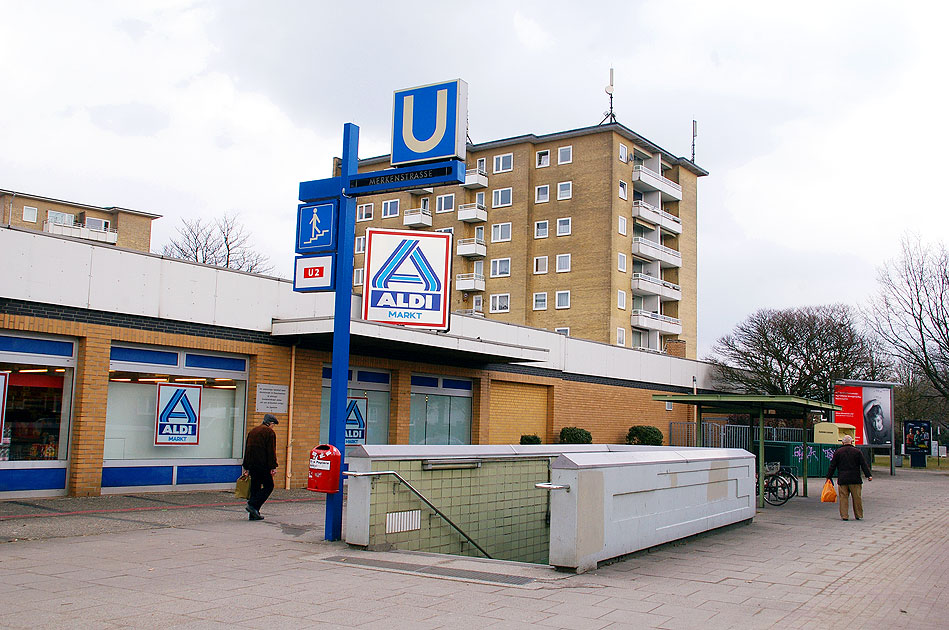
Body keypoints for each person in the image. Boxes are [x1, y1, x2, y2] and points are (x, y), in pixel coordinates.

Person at [826, 435, 872, 521]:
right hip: (855, 479)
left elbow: (832, 466)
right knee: (857, 498)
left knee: (843, 498)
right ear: (851, 442)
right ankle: (858, 515)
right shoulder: (857, 452)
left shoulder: (838, 452)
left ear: (843, 443)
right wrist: (868, 475)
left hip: (843, 479)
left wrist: (829, 476)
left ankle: (844, 515)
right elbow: (863, 464)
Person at [242, 414, 278, 521]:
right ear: (270, 423)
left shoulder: (253, 431)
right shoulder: (269, 433)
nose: (273, 427)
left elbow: (247, 449)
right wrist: (273, 466)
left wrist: (246, 466)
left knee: (255, 488)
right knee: (269, 486)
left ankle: (253, 514)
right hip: (263, 465)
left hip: (252, 465)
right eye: (273, 425)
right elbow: (271, 451)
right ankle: (252, 505)